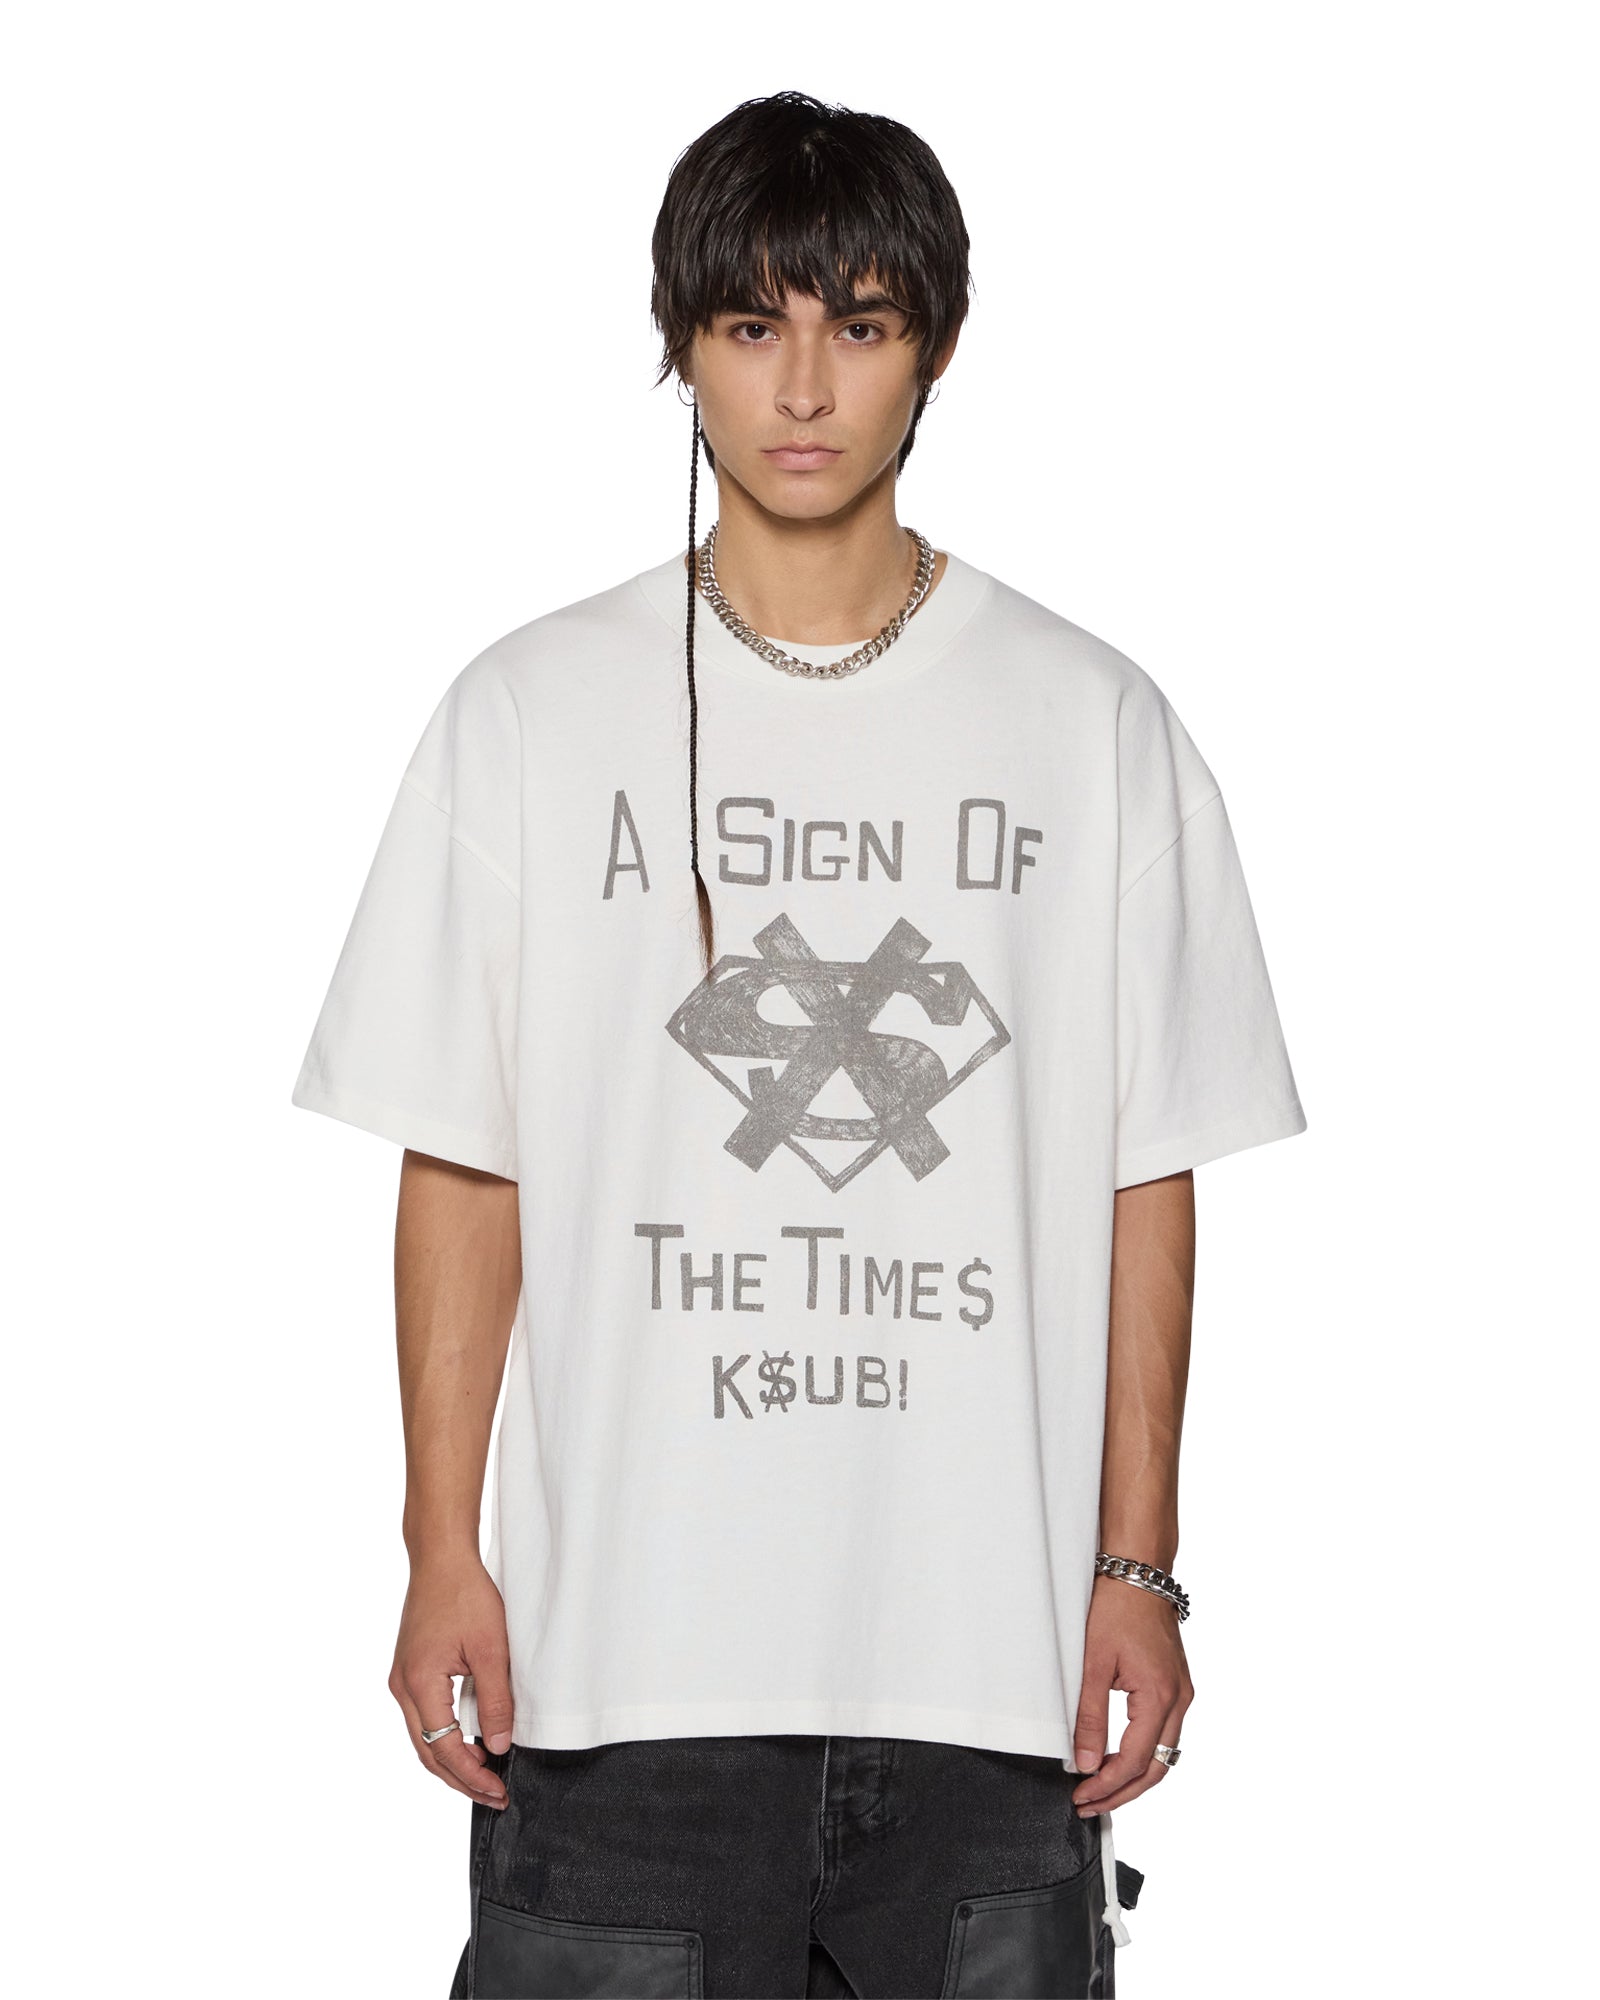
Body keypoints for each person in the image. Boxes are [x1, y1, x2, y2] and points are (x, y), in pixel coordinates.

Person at [291, 89, 1306, 2000]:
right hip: (618, 1678)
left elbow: (1142, 1169)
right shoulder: (528, 712)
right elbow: (465, 1158)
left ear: (938, 347)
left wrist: (1140, 1567)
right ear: (680, 347)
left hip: (988, 1679)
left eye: (862, 323)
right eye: (753, 325)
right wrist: (439, 1548)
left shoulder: (1091, 722)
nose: (808, 387)